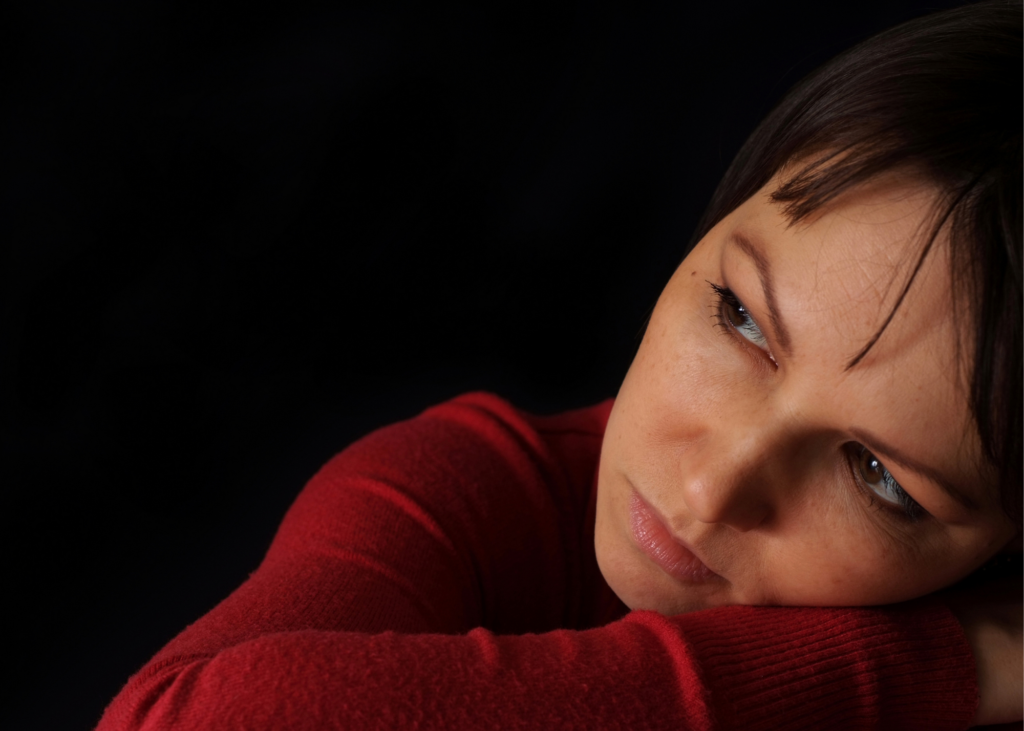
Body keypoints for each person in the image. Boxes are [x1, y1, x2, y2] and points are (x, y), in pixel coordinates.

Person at [95, 1, 1022, 728]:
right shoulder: (477, 492)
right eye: (740, 320)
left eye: (880, 477)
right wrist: (934, 664)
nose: (710, 486)